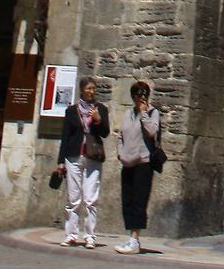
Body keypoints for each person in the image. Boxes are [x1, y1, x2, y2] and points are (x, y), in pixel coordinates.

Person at [55, 77, 110, 249]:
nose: (91, 91)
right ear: (81, 90)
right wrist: (60, 161)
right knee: (73, 198)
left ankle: (90, 235)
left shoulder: (101, 109)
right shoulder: (72, 111)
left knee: (90, 197)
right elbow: (65, 136)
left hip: (92, 157)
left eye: (93, 88)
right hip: (73, 157)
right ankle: (71, 234)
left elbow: (105, 133)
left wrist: (98, 120)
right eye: (88, 88)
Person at [115, 81, 161, 255]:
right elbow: (120, 135)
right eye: (139, 95)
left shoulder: (152, 113)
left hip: (143, 163)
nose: (142, 98)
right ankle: (131, 237)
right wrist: (120, 152)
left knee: (139, 202)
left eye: (145, 95)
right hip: (127, 163)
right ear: (133, 96)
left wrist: (143, 114)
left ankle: (135, 238)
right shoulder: (127, 114)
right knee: (127, 201)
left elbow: (152, 132)